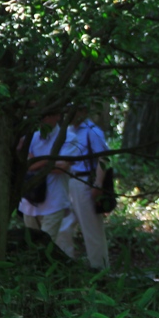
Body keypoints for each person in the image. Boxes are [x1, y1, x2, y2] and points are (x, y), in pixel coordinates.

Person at [19, 111, 77, 259]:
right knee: (31, 247)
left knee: (46, 246)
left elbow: (61, 168)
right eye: (42, 114)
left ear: (57, 115)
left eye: (49, 114)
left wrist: (35, 161)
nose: (44, 118)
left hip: (54, 202)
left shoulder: (68, 138)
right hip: (29, 202)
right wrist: (49, 161)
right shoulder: (31, 138)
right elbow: (24, 165)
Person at [66, 107, 111, 270]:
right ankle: (65, 263)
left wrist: (98, 184)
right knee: (64, 225)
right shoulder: (68, 130)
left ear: (82, 112)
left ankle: (99, 267)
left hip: (84, 181)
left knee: (91, 226)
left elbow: (104, 157)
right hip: (68, 180)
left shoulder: (92, 131)